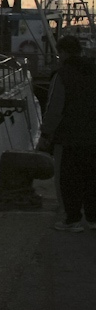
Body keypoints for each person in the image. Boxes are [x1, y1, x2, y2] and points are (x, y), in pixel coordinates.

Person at [41, 35, 96, 232]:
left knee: (68, 180)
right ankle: (93, 218)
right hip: (93, 137)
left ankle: (71, 220)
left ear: (63, 52)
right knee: (92, 178)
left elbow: (54, 109)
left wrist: (45, 135)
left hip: (69, 138)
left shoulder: (61, 75)